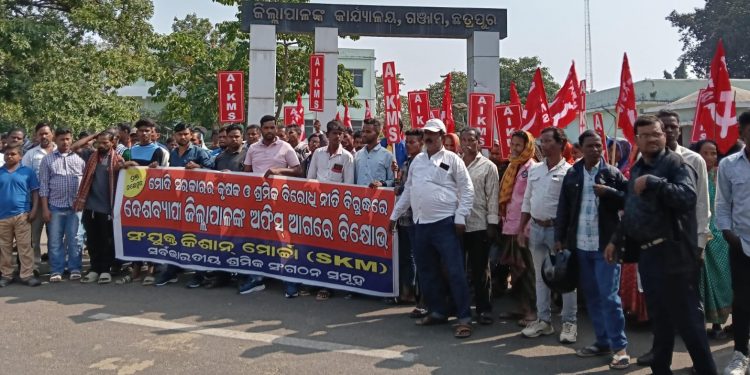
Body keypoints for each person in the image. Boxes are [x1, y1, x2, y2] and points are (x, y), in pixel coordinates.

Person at [605, 115, 716, 375]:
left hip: (675, 254)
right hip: (649, 255)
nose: (653, 139)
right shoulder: (639, 167)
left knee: (688, 322)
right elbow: (632, 209)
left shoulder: (676, 164)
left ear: (664, 136)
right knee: (661, 320)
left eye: (657, 134)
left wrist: (656, 184)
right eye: (646, 135)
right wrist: (614, 240)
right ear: (637, 140)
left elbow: (688, 197)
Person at [389, 119, 475, 339]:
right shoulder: (417, 160)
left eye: (433, 133)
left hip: (445, 223)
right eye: (426, 133)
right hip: (421, 225)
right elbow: (408, 190)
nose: (428, 137)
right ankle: (437, 311)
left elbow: (467, 190)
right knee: (427, 272)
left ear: (443, 136)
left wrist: (460, 217)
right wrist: (394, 215)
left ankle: (464, 317)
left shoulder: (453, 159)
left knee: (455, 271)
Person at [555, 130, 630, 369]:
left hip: (606, 246)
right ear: (581, 147)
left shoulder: (612, 173)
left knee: (609, 297)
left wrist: (610, 192)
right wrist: (560, 237)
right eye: (591, 146)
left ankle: (620, 348)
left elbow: (630, 200)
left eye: (599, 146)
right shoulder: (573, 173)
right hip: (580, 246)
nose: (596, 150)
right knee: (592, 297)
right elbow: (564, 208)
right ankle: (602, 341)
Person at [518, 127, 577, 344]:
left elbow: (572, 208)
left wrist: (566, 236)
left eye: (548, 141)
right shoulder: (535, 170)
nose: (543, 145)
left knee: (566, 279)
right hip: (536, 228)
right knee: (540, 277)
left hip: (558, 231)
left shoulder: (570, 172)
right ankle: (544, 321)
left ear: (561, 144)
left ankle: (570, 323)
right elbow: (527, 200)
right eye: (541, 141)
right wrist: (521, 228)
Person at [242, 115, 302, 298]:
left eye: (272, 127)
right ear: (261, 130)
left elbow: (298, 171)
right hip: (258, 203)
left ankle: (289, 280)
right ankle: (256, 278)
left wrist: (278, 170)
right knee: (258, 240)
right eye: (266, 128)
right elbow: (247, 174)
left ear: (276, 128)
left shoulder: (285, 147)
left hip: (281, 203)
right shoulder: (252, 148)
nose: (269, 131)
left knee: (283, 240)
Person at [155, 123, 213, 287]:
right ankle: (172, 270)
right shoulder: (172, 153)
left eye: (186, 134)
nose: (183, 137)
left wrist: (199, 167)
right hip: (176, 203)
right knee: (175, 237)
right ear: (175, 135)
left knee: (197, 239)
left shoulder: (199, 152)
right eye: (179, 134)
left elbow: (213, 169)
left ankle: (199, 273)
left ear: (190, 135)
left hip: (196, 203)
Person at [716, 111, 750, 375]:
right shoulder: (729, 165)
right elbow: (723, 204)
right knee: (742, 302)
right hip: (742, 245)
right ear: (742, 133)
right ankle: (740, 354)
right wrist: (728, 234)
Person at [306, 121, 355, 301]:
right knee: (315, 245)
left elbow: (348, 187)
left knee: (333, 248)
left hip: (336, 210)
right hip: (317, 207)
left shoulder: (347, 157)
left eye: (339, 133)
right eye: (333, 133)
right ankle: (315, 281)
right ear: (327, 134)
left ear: (343, 135)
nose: (336, 136)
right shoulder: (318, 154)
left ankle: (329, 285)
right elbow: (310, 179)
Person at [116, 119, 168, 286]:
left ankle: (151, 270)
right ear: (136, 133)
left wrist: (156, 169)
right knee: (135, 234)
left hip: (153, 201)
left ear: (153, 132)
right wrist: (125, 165)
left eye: (147, 130)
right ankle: (136, 270)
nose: (144, 134)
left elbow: (165, 175)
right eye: (141, 131)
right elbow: (119, 168)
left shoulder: (159, 151)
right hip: (133, 199)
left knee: (152, 235)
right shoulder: (130, 151)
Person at [691, 139, 732, 340]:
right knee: (699, 283)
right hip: (698, 235)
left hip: (722, 238)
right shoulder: (692, 175)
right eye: (705, 153)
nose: (709, 157)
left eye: (713, 153)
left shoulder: (721, 176)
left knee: (722, 281)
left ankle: (718, 324)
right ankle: (698, 326)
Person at [498, 131, 538, 327]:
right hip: (510, 226)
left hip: (525, 228)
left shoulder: (532, 168)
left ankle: (532, 311)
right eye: (512, 144)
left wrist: (523, 227)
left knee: (527, 270)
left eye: (518, 145)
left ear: (528, 147)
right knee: (515, 269)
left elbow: (530, 200)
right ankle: (521, 308)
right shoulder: (513, 166)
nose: (514, 148)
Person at [73, 130, 124, 284]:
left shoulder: (118, 159)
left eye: (105, 142)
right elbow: (74, 147)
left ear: (113, 142)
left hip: (108, 208)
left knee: (106, 241)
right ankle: (94, 269)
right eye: (99, 142)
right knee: (93, 240)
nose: (101, 145)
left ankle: (105, 270)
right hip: (90, 206)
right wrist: (94, 136)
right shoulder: (91, 156)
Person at [460, 128, 499, 325]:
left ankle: (484, 309)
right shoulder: (453, 163)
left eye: (471, 139)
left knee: (480, 270)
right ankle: (460, 307)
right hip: (457, 225)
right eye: (464, 139)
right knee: (457, 269)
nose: (467, 143)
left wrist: (492, 224)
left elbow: (493, 197)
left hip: (479, 224)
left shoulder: (488, 166)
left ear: (479, 142)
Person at [202, 124, 247, 289]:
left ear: (242, 137)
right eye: (231, 136)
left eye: (237, 136)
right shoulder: (220, 157)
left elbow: (253, 178)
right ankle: (222, 276)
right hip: (223, 207)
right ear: (226, 138)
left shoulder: (248, 155)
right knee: (222, 243)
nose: (234, 139)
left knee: (242, 244)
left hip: (242, 207)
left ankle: (243, 276)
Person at [39, 128, 86, 282]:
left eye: (67, 139)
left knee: (75, 240)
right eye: (61, 139)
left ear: (71, 139)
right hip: (55, 207)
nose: (65, 142)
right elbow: (44, 186)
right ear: (56, 140)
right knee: (54, 241)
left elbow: (85, 184)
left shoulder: (79, 160)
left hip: (75, 208)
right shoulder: (48, 160)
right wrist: (45, 209)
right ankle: (56, 270)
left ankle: (74, 268)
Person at [0, 145, 42, 287]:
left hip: (22, 215)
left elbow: (35, 192)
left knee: (25, 247)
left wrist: (34, 209)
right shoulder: (0, 172)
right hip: (2, 217)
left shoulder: (27, 172)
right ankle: (6, 275)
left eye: (13, 154)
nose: (9, 156)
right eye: (7, 154)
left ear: (20, 156)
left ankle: (27, 275)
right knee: (4, 247)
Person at [394, 129, 424, 312]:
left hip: (416, 217)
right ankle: (405, 289)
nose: (408, 145)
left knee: (414, 257)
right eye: (407, 142)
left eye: (412, 142)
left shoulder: (421, 164)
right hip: (404, 217)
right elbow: (401, 188)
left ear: (421, 143)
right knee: (405, 255)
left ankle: (413, 292)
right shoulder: (405, 163)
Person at [21, 122, 56, 269]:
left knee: (55, 237)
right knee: (34, 237)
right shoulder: (31, 154)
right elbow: (25, 179)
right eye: (40, 133)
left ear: (52, 134)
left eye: (46, 133)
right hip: (36, 202)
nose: (44, 136)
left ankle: (55, 266)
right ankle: (34, 266)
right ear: (36, 135)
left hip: (56, 201)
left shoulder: (59, 151)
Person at [354, 118, 394, 188]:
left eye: (368, 132)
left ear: (377, 134)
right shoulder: (357, 155)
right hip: (358, 197)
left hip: (378, 198)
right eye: (363, 131)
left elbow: (392, 180)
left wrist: (382, 184)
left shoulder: (387, 155)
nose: (364, 134)